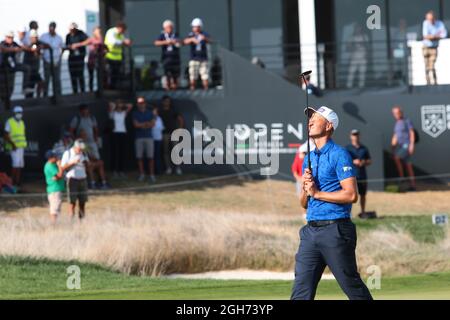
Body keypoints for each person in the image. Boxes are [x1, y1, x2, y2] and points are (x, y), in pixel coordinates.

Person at [291, 106, 372, 300]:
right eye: (309, 119)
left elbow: (352, 195)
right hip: (310, 232)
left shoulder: (339, 154)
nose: (309, 122)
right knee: (301, 289)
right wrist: (306, 187)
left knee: (351, 285)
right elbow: (304, 203)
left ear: (328, 126)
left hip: (335, 230)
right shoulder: (308, 158)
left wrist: (317, 193)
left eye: (315, 119)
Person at [60, 139, 89, 220]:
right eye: (80, 148)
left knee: (82, 202)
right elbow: (62, 167)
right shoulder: (68, 153)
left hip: (83, 179)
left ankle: (81, 221)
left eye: (82, 149)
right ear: (75, 147)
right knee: (72, 203)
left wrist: (86, 163)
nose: (81, 150)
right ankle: (71, 221)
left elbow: (88, 166)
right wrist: (73, 162)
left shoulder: (84, 153)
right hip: (72, 180)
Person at [346, 129, 372, 218]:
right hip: (351, 175)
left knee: (363, 195)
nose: (355, 136)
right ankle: (349, 213)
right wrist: (353, 161)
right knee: (350, 194)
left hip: (362, 175)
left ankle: (363, 212)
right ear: (351, 136)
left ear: (359, 136)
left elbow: (369, 160)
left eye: (356, 135)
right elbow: (344, 161)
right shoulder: (347, 148)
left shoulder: (364, 148)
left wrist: (363, 162)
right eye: (353, 135)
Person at [391, 105, 416, 191]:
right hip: (400, 146)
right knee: (409, 166)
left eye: (397, 112)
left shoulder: (407, 121)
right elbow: (395, 136)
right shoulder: (397, 124)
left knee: (397, 158)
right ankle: (413, 186)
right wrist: (393, 146)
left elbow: (412, 133)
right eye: (394, 113)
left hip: (407, 145)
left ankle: (402, 177)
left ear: (401, 112)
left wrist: (412, 145)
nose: (396, 114)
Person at [0, 31, 31, 98]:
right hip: (3, 68)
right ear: (5, 37)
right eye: (8, 37)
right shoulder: (2, 43)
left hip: (12, 67)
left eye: (11, 37)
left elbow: (21, 47)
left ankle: (24, 87)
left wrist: (31, 49)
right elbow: (3, 49)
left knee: (26, 68)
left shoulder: (14, 43)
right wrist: (14, 49)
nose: (10, 39)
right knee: (3, 87)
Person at [133, 96, 156, 182]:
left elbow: (152, 124)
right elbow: (136, 125)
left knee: (150, 157)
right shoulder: (135, 113)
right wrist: (146, 124)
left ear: (145, 104)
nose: (141, 105)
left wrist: (142, 125)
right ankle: (142, 174)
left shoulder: (150, 113)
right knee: (139, 157)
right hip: (139, 138)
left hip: (149, 137)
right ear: (137, 104)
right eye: (139, 103)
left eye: (142, 103)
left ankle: (151, 175)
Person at [154, 20, 181, 91]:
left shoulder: (175, 35)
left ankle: (175, 88)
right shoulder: (162, 35)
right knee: (167, 74)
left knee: (175, 74)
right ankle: (168, 88)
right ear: (164, 28)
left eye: (171, 27)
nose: (170, 29)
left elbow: (181, 42)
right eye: (168, 27)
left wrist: (175, 42)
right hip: (166, 58)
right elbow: (156, 43)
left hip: (175, 58)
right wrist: (166, 42)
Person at [159, 95, 184, 175]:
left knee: (175, 151)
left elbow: (180, 120)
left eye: (168, 101)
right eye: (165, 101)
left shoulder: (173, 110)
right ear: (163, 102)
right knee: (165, 151)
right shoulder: (159, 111)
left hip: (174, 133)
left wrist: (180, 130)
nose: (167, 102)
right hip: (164, 134)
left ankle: (178, 168)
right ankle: (168, 168)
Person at [3, 106, 27, 186]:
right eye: (18, 113)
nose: (19, 114)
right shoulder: (9, 122)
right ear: (14, 113)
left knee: (20, 165)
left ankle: (17, 182)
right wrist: (12, 144)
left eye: (20, 113)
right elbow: (6, 135)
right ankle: (12, 182)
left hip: (21, 147)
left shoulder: (22, 122)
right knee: (15, 165)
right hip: (14, 147)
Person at [184, 18, 211, 90]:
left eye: (196, 26)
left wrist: (204, 38)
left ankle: (206, 88)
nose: (194, 28)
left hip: (203, 58)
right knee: (193, 75)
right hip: (194, 58)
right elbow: (184, 41)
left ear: (199, 27)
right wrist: (191, 39)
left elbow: (210, 40)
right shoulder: (191, 34)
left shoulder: (204, 34)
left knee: (205, 75)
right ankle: (192, 88)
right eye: (193, 26)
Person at [108, 100, 133, 177]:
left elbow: (130, 105)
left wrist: (122, 105)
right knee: (115, 152)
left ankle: (121, 170)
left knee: (122, 152)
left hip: (123, 133)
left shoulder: (123, 113)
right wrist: (116, 105)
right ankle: (115, 170)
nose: (119, 105)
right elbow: (110, 104)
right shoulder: (113, 113)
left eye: (120, 104)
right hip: (115, 133)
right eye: (118, 104)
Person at [422, 11, 447, 85]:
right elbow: (425, 36)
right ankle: (428, 82)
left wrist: (432, 36)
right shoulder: (425, 23)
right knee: (426, 65)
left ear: (434, 18)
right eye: (428, 19)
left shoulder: (439, 24)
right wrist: (435, 36)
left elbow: (444, 34)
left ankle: (435, 82)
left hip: (434, 48)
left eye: (431, 19)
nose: (430, 21)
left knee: (432, 65)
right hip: (426, 47)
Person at [104, 21, 131, 89]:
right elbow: (113, 42)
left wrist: (126, 42)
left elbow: (123, 41)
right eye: (123, 30)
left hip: (118, 57)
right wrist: (123, 42)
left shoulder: (120, 35)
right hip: (110, 56)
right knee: (110, 73)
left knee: (116, 73)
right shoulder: (111, 32)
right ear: (119, 28)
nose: (124, 32)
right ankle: (110, 88)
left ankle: (114, 87)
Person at [40, 22, 64, 97]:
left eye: (52, 28)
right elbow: (39, 46)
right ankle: (45, 95)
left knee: (57, 80)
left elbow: (62, 48)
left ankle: (58, 95)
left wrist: (60, 57)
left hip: (56, 61)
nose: (51, 29)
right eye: (50, 27)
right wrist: (42, 55)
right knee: (46, 79)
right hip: (47, 61)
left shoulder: (59, 37)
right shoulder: (43, 36)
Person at [65, 23, 88, 93]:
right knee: (73, 75)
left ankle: (82, 91)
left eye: (73, 29)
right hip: (72, 58)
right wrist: (70, 47)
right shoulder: (68, 36)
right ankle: (75, 91)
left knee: (80, 75)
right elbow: (67, 45)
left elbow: (88, 41)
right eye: (71, 29)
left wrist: (78, 45)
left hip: (80, 58)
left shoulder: (81, 33)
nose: (72, 31)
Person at [44, 150, 65, 225]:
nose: (56, 157)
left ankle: (56, 224)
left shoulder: (53, 164)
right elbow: (59, 176)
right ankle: (53, 225)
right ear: (50, 158)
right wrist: (60, 166)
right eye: (54, 156)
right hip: (54, 190)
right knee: (54, 210)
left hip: (56, 190)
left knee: (57, 209)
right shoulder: (49, 166)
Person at [22, 30, 44, 98]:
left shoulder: (39, 43)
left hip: (35, 71)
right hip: (29, 71)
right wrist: (31, 49)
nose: (35, 38)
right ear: (30, 38)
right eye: (33, 37)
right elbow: (22, 47)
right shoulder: (28, 44)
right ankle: (29, 100)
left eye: (36, 37)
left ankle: (38, 97)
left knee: (41, 83)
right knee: (29, 89)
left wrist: (39, 49)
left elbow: (44, 46)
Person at [346, 24, 369, 89]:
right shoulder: (351, 37)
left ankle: (361, 86)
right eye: (357, 28)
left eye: (359, 28)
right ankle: (348, 86)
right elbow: (347, 47)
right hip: (354, 58)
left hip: (363, 57)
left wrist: (366, 55)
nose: (358, 30)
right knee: (351, 72)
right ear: (355, 29)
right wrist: (353, 47)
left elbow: (368, 47)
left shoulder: (365, 37)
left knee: (362, 73)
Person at [152, 106, 165, 174]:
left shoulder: (160, 119)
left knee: (158, 155)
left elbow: (161, 128)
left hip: (158, 139)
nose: (155, 113)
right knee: (152, 155)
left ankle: (158, 170)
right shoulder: (150, 118)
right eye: (153, 111)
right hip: (152, 139)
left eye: (156, 111)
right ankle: (153, 170)